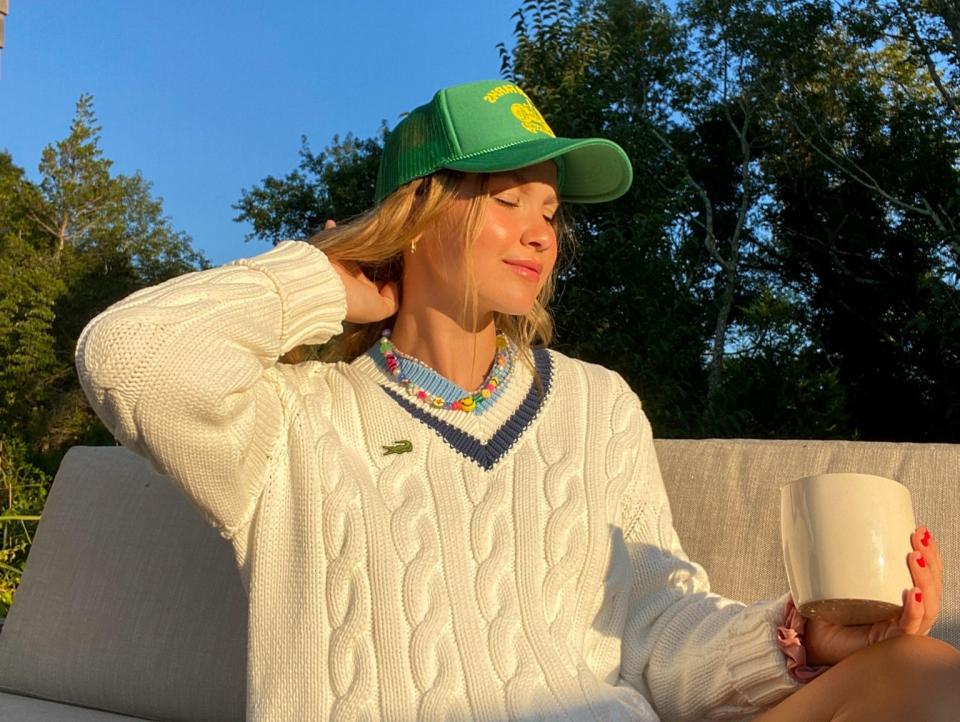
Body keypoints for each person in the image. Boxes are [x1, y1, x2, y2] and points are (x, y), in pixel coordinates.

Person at [75, 79, 960, 721]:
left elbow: (657, 624)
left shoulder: (598, 403)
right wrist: (327, 275)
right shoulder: (291, 423)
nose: (543, 229)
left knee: (920, 672)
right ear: (418, 212)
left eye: (551, 208)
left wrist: (805, 641)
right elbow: (132, 358)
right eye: (507, 199)